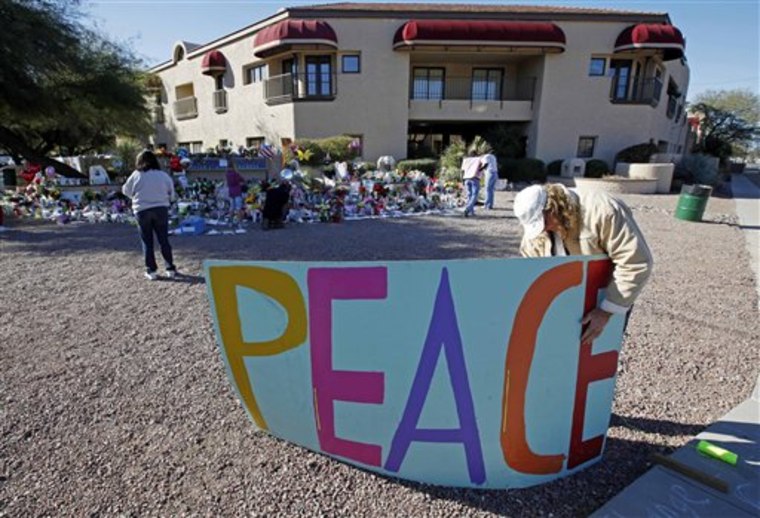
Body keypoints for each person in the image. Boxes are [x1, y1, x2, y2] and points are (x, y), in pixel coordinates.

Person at [513, 183, 653, 343]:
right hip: (564, 301)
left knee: (599, 347)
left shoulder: (603, 210)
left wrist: (606, 311)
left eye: (544, 222)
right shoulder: (537, 233)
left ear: (553, 208)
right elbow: (532, 268)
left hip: (606, 297)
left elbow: (635, 261)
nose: (543, 230)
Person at [122, 150, 177, 281]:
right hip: (161, 209)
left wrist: (136, 196)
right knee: (164, 240)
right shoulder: (163, 175)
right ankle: (170, 268)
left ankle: (151, 270)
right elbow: (172, 193)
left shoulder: (136, 175)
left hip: (142, 210)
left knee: (147, 241)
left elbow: (126, 190)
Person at [461, 150, 485, 217]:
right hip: (474, 178)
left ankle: (471, 212)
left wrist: (462, 180)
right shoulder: (478, 159)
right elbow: (485, 164)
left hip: (466, 178)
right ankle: (467, 209)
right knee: (474, 195)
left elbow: (462, 170)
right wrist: (480, 169)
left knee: (469, 195)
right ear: (476, 154)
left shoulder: (466, 160)